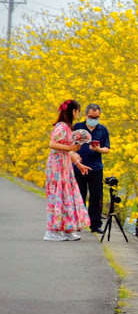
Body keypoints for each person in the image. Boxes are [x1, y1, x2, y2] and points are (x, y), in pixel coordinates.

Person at [44, 99, 90, 241]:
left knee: (67, 196)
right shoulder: (61, 127)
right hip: (56, 167)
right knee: (57, 196)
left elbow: (67, 151)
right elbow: (52, 144)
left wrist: (78, 163)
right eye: (78, 111)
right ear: (74, 111)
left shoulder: (67, 127)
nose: (78, 115)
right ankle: (52, 230)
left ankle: (67, 228)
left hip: (65, 166)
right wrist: (70, 148)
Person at [72, 103, 111, 234]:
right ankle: (78, 222)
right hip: (79, 167)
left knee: (96, 196)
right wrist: (74, 153)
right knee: (79, 195)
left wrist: (98, 149)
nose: (93, 119)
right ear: (86, 115)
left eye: (96, 117)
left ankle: (95, 224)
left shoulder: (102, 130)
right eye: (91, 116)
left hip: (96, 167)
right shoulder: (77, 128)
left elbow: (107, 149)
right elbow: (69, 144)